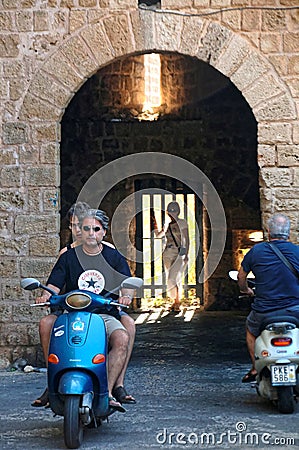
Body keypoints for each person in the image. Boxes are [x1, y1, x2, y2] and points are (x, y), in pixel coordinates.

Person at [32, 203, 136, 407]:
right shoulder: (68, 256)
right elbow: (54, 284)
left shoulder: (113, 256)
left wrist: (126, 296)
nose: (91, 233)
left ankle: (107, 392)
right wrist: (45, 295)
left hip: (103, 314)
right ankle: (53, 381)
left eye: (96, 229)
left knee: (122, 336)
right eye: (86, 228)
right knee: (45, 323)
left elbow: (126, 283)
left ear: (104, 232)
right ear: (80, 230)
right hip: (70, 313)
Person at [237, 213, 299, 383]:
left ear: (269, 231)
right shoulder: (297, 251)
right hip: (295, 310)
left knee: (251, 330)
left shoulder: (256, 251)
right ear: (288, 232)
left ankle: (255, 368)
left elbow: (241, 277)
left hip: (264, 311)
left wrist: (246, 290)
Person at [153, 201, 189, 311]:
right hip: (167, 253)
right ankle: (175, 301)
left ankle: (177, 301)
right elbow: (159, 235)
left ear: (178, 211)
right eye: (170, 210)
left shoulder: (182, 223)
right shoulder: (167, 224)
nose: (173, 212)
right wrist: (154, 224)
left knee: (172, 278)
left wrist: (186, 253)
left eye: (175, 210)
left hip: (178, 253)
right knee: (172, 278)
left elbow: (187, 239)